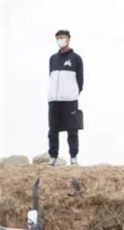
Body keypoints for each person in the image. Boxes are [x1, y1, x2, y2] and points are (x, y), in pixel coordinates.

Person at [48, 29, 83, 166]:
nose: (59, 40)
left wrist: (73, 93)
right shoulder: (53, 58)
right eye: (57, 38)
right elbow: (51, 77)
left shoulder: (76, 58)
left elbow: (80, 80)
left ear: (68, 38)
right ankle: (53, 157)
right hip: (54, 100)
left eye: (62, 37)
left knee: (72, 130)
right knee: (52, 130)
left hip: (70, 100)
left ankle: (73, 158)